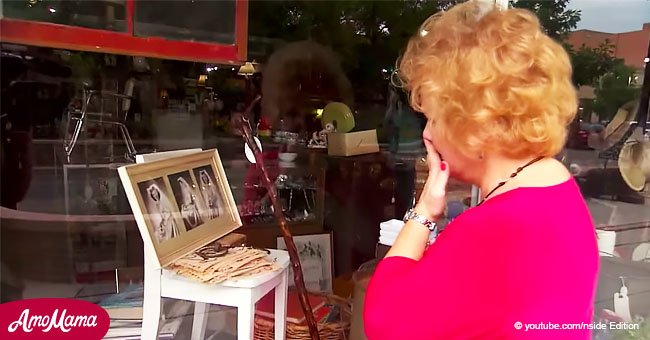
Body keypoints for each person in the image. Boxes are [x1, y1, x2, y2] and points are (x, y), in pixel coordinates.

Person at [363, 2, 598, 339]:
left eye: (435, 118)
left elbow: (383, 320)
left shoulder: (498, 228)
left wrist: (424, 211)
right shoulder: (557, 189)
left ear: (477, 125)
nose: (427, 134)